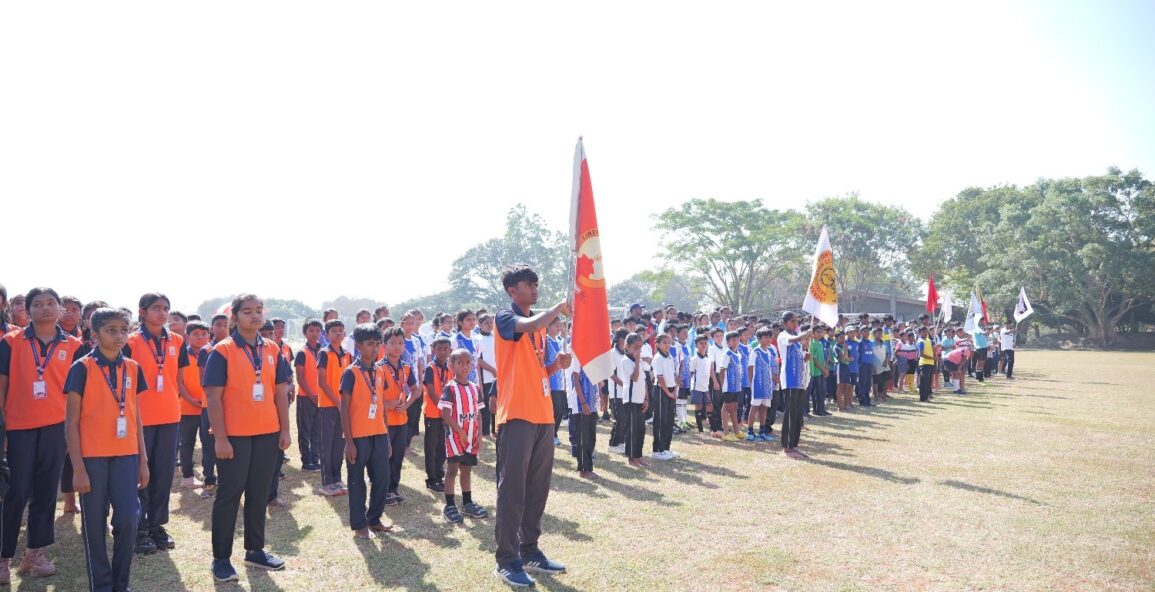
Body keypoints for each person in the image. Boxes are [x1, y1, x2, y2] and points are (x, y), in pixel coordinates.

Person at [202, 294, 292, 582]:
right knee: (230, 495)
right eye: (247, 311)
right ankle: (221, 559)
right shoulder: (223, 350)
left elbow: (281, 392)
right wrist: (221, 438)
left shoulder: (273, 348)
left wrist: (285, 430)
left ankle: (255, 550)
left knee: (259, 492)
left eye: (259, 310)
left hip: (267, 433)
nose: (255, 316)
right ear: (235, 317)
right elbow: (213, 398)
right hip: (234, 437)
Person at [492, 264, 571, 587]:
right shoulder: (505, 317)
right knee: (512, 490)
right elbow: (526, 325)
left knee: (537, 488)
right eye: (529, 284)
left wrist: (556, 366)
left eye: (537, 284)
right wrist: (557, 309)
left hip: (543, 415)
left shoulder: (539, 326)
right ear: (513, 291)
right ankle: (506, 560)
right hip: (516, 415)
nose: (535, 288)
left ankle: (529, 550)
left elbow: (537, 370)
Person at [64, 307, 150, 592]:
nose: (119, 336)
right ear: (95, 334)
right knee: (94, 525)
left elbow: (136, 417)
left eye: (123, 330)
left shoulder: (133, 368)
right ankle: (101, 586)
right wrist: (78, 468)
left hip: (126, 456)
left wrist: (143, 461)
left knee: (128, 518)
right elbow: (71, 422)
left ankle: (120, 584)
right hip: (92, 458)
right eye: (111, 330)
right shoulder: (82, 368)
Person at [0, 288, 83, 582]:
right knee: (16, 491)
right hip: (18, 427)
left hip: (56, 428)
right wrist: (2, 428)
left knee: (47, 492)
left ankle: (35, 553)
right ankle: (3, 557)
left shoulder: (75, 345)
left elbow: (78, 394)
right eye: (37, 304)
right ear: (27, 310)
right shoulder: (10, 342)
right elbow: (1, 387)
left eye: (51, 303)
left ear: (59, 309)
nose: (45, 308)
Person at [122, 293, 188, 554]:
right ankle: (139, 528)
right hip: (140, 419)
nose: (162, 313)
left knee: (164, 474)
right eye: (156, 308)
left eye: (166, 308)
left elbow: (178, 379)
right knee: (140, 474)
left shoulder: (178, 341)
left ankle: (157, 524)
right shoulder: (130, 342)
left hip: (170, 416)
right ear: (142, 312)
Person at [338, 324, 393, 539]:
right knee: (356, 481)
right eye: (370, 344)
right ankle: (360, 525)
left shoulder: (380, 371)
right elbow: (344, 409)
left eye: (377, 344)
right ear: (359, 346)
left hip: (378, 433)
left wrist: (387, 437)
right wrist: (349, 442)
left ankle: (374, 519)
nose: (375, 348)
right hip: (358, 436)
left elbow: (381, 405)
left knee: (382, 478)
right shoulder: (350, 373)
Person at [438, 348, 487, 524]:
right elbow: (445, 415)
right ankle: (450, 505)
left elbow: (479, 413)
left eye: (468, 363)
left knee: (466, 469)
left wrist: (479, 434)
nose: (465, 366)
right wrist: (460, 431)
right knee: (452, 470)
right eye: (460, 363)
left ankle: (467, 502)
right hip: (455, 437)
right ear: (451, 365)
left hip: (471, 438)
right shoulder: (450, 388)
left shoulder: (474, 388)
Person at [378, 327, 417, 506]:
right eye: (392, 342)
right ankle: (383, 491)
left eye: (400, 343)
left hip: (401, 420)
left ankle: (393, 489)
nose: (397, 346)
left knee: (398, 457)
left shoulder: (406, 367)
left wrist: (406, 404)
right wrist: (386, 404)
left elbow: (416, 390)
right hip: (383, 421)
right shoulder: (378, 368)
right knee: (384, 457)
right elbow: (371, 395)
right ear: (384, 345)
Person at [316, 320, 352, 497]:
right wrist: (338, 402)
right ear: (327, 334)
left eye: (340, 330)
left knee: (340, 443)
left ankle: (337, 478)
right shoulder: (324, 353)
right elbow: (322, 382)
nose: (338, 333)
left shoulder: (348, 355)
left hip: (343, 406)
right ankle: (327, 482)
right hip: (328, 405)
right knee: (327, 444)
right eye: (334, 331)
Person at [179, 321, 211, 489]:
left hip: (208, 406)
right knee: (187, 443)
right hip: (187, 407)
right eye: (196, 334)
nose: (200, 337)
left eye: (204, 334)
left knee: (208, 443)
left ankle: (209, 476)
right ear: (187, 336)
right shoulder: (182, 354)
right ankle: (188, 476)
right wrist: (191, 400)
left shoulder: (213, 353)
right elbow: (179, 382)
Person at [293, 320, 324, 472]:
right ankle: (306, 461)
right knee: (305, 429)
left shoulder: (323, 351)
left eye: (317, 330)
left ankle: (315, 458)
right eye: (311, 330)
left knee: (317, 430)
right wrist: (311, 395)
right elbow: (300, 378)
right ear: (305, 333)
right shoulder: (302, 353)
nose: (314, 334)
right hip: (306, 398)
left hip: (321, 398)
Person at [777, 312, 809, 459]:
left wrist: (805, 356)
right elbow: (791, 340)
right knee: (790, 413)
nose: (795, 323)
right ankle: (787, 447)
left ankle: (794, 444)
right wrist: (804, 335)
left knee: (797, 413)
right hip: (789, 380)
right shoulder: (783, 336)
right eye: (792, 321)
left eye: (797, 321)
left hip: (799, 381)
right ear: (785, 323)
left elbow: (799, 355)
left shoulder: (797, 339)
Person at [422, 338, 451, 493]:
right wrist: (442, 408)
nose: (442, 352)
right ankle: (431, 479)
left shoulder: (450, 369)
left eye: (446, 349)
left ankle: (439, 476)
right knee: (431, 447)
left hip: (445, 414)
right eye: (439, 349)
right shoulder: (430, 368)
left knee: (442, 446)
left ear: (450, 351)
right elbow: (432, 392)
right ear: (433, 350)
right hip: (433, 414)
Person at [618, 333, 649, 467]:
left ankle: (638, 455)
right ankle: (631, 458)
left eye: (640, 347)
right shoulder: (625, 360)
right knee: (632, 430)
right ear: (627, 346)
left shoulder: (639, 361)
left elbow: (644, 380)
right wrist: (636, 361)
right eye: (635, 347)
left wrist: (646, 398)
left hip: (640, 399)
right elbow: (635, 378)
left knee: (641, 429)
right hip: (630, 400)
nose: (638, 350)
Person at [568, 358, 599, 479]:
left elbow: (596, 380)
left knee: (591, 438)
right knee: (583, 438)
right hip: (581, 405)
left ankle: (588, 467)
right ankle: (584, 470)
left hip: (592, 404)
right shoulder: (577, 358)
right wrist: (583, 403)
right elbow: (576, 380)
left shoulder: (593, 357)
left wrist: (599, 398)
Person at [746, 327, 778, 441]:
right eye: (765, 337)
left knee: (764, 408)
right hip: (758, 384)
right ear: (759, 339)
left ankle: (762, 432)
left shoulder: (769, 352)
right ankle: (750, 432)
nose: (768, 339)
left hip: (767, 384)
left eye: (769, 337)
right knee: (754, 407)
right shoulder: (755, 351)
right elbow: (750, 368)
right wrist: (751, 383)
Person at [650, 334, 679, 460]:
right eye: (664, 342)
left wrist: (675, 390)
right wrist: (668, 392)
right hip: (662, 390)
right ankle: (658, 450)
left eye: (669, 342)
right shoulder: (657, 358)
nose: (667, 344)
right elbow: (660, 378)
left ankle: (666, 448)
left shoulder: (670, 356)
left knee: (669, 420)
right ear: (657, 344)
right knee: (660, 420)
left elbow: (673, 375)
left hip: (671, 390)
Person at [716, 332, 744, 440]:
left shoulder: (738, 354)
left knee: (734, 408)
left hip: (736, 386)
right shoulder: (727, 354)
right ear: (727, 342)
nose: (736, 342)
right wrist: (723, 385)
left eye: (737, 339)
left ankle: (736, 432)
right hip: (728, 386)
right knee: (726, 408)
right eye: (733, 340)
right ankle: (726, 433)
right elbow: (722, 370)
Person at [544, 319, 567, 446]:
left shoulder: (559, 342)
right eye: (555, 325)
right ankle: (550, 435)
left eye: (560, 325)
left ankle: (554, 434)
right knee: (555, 409)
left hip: (560, 382)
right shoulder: (546, 342)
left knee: (560, 409)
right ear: (549, 326)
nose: (558, 328)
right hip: (550, 382)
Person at [476, 313, 498, 437]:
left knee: (496, 402)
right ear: (479, 324)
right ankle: (485, 431)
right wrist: (492, 370)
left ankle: (495, 429)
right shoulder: (477, 339)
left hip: (497, 376)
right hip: (485, 377)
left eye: (491, 322)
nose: (489, 325)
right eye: (486, 323)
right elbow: (478, 360)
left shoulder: (496, 337)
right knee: (485, 403)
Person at [808, 325, 830, 416]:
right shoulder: (812, 344)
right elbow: (814, 359)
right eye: (818, 332)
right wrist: (823, 369)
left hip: (822, 371)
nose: (820, 334)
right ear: (813, 333)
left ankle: (822, 408)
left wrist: (826, 368)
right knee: (817, 392)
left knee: (823, 391)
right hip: (817, 372)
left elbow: (823, 358)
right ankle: (817, 410)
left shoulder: (820, 343)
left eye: (821, 332)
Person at [917, 326, 936, 402]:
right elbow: (921, 354)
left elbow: (933, 349)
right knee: (924, 381)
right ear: (920, 333)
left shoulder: (929, 340)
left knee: (928, 382)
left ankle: (927, 396)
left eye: (926, 331)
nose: (925, 333)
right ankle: (923, 398)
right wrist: (931, 358)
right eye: (923, 332)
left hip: (930, 363)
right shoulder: (920, 341)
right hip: (924, 364)